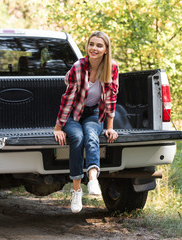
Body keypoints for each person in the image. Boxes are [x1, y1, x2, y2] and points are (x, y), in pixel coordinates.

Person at [53, 31, 119, 213]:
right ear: (87, 46)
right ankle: (76, 191)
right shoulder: (79, 67)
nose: (94, 48)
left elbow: (111, 98)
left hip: (93, 113)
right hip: (73, 113)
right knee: (77, 137)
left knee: (91, 134)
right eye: (91, 44)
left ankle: (92, 179)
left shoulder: (112, 68)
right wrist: (58, 127)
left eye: (99, 45)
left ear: (106, 50)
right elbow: (68, 98)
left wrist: (110, 127)